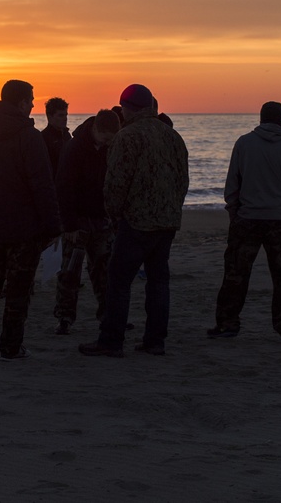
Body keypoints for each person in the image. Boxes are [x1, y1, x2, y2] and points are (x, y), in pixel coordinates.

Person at [79, 84, 189, 358]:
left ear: (127, 108)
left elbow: (116, 182)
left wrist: (114, 214)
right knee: (158, 281)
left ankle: (112, 340)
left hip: (136, 222)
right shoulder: (172, 136)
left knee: (118, 281)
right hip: (166, 222)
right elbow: (182, 180)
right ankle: (155, 341)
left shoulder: (126, 137)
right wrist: (172, 210)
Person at [0, 80, 61, 360]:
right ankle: (10, 346)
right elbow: (42, 185)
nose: (32, 105)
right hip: (24, 229)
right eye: (30, 100)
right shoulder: (28, 137)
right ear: (21, 103)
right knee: (18, 290)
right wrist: (53, 226)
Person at [207, 101, 281, 344]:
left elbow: (232, 184)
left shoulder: (244, 143)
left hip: (247, 219)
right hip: (280, 220)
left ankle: (228, 323)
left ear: (261, 119)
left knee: (236, 274)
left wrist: (234, 212)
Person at [52, 109, 121, 335]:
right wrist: (69, 225)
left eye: (112, 139)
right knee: (70, 272)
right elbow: (64, 189)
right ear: (96, 129)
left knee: (104, 271)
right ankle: (65, 317)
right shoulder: (73, 148)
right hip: (78, 221)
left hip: (102, 220)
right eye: (106, 138)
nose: (109, 142)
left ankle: (108, 315)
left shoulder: (110, 148)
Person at [40, 97, 71, 178]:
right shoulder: (43, 138)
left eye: (66, 115)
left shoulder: (67, 135)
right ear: (50, 117)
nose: (65, 119)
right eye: (60, 115)